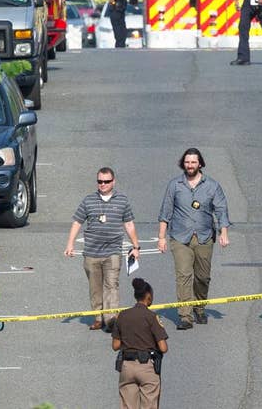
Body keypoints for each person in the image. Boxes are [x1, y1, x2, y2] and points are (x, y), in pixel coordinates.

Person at [157, 148, 231, 330]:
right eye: (187, 162)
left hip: (204, 238)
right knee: (183, 275)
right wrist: (161, 237)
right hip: (180, 238)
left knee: (202, 277)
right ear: (183, 163)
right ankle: (185, 315)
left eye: (193, 162)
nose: (190, 165)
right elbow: (165, 211)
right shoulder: (175, 185)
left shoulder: (212, 186)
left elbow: (221, 209)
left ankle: (199, 307)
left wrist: (224, 232)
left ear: (200, 164)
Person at [64, 168, 140, 332]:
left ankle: (111, 318)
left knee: (111, 285)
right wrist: (70, 244)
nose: (103, 184)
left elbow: (129, 224)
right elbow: (77, 222)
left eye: (106, 181)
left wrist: (136, 246)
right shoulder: (88, 200)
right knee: (95, 287)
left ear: (113, 182)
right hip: (91, 253)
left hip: (113, 252)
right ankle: (98, 317)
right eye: (100, 181)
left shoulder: (122, 200)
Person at [112, 278, 168, 409]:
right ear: (148, 296)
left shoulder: (122, 315)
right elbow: (163, 347)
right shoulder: (151, 316)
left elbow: (115, 345)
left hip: (127, 367)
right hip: (147, 367)